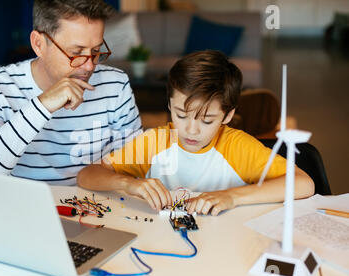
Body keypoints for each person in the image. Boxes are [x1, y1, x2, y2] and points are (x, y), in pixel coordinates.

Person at [77, 50, 315, 215]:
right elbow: (87, 175)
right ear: (169, 105)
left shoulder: (238, 147)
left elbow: (304, 184)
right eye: (181, 115)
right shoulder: (155, 142)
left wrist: (232, 197)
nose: (191, 129)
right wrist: (129, 184)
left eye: (207, 120)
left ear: (228, 115)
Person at [0, 0, 142, 184]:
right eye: (76, 53)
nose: (89, 66)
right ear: (38, 44)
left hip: (96, 206)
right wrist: (42, 105)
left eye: (95, 51)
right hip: (22, 207)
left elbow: (134, 165)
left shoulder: (116, 84)